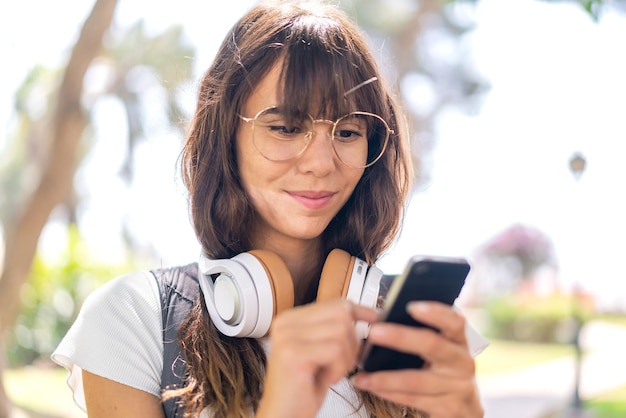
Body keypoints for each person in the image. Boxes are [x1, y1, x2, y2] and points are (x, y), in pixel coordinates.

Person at [52, 1, 488, 417]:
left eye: (349, 131)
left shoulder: (419, 329)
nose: (321, 163)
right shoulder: (132, 319)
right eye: (285, 127)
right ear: (226, 137)